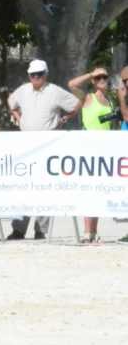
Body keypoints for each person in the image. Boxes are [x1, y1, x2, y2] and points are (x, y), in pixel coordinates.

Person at [6, 59, 81, 240]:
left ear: (45, 74)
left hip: (48, 145)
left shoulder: (55, 91)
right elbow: (10, 101)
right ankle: (18, 228)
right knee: (22, 187)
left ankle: (41, 229)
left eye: (39, 74)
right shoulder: (23, 90)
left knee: (44, 187)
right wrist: (18, 117)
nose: (36, 78)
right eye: (33, 75)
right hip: (26, 145)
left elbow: (76, 104)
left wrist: (64, 118)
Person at [69, 67, 117, 243]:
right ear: (94, 81)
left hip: (105, 150)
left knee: (99, 190)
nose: (102, 79)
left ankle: (93, 232)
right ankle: (86, 231)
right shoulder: (88, 97)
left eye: (105, 76)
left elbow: (110, 125)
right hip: (88, 148)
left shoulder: (111, 101)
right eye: (99, 78)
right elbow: (71, 84)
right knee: (87, 188)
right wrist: (91, 73)